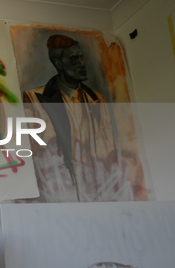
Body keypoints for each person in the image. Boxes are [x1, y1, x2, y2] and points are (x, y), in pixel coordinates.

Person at [23, 35, 137, 202]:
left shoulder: (96, 99)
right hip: (58, 188)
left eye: (82, 58)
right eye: (74, 59)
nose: (82, 64)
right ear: (58, 63)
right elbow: (35, 151)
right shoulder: (34, 97)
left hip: (96, 188)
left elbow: (108, 148)